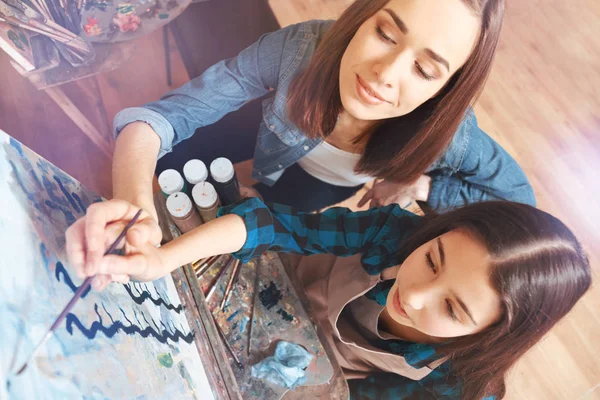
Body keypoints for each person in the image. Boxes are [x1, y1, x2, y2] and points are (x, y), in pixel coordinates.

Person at [67, 197, 591, 399]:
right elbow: (270, 223)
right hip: (275, 287)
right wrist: (162, 260)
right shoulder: (393, 234)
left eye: (454, 309)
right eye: (432, 259)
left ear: (488, 336)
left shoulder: (458, 384)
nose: (417, 292)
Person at [111, 0, 534, 218]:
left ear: (447, 90)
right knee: (180, 162)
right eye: (386, 33)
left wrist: (421, 187)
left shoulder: (453, 137)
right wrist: (134, 205)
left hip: (325, 185)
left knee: (268, 211)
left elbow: (516, 209)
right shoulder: (299, 50)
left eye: (424, 69)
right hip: (262, 134)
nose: (385, 73)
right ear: (364, 16)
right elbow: (169, 116)